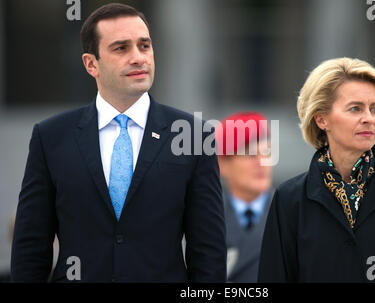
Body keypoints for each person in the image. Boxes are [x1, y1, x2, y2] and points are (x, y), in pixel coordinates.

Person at [11, 3, 226, 283]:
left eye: (144, 46)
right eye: (121, 48)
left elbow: (208, 251)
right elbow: (30, 247)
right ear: (91, 64)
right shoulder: (51, 138)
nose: (138, 58)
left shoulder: (193, 136)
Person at [258, 57, 375, 282]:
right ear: (321, 119)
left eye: (374, 109)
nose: (369, 119)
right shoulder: (289, 199)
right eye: (355, 108)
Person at [215, 112, 274, 283]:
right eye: (249, 154)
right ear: (222, 165)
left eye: (266, 152)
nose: (261, 162)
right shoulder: (203, 218)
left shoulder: (294, 213)